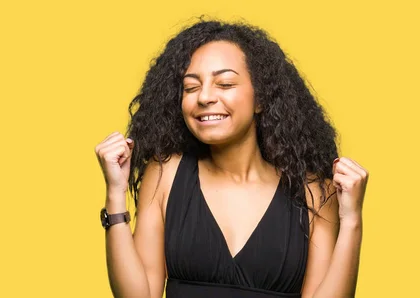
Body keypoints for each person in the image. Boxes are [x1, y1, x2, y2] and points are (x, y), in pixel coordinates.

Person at [95, 18, 369, 298]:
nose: (204, 97)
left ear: (261, 99)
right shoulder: (165, 174)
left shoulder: (315, 193)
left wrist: (352, 221)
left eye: (224, 83)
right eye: (190, 88)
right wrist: (116, 193)